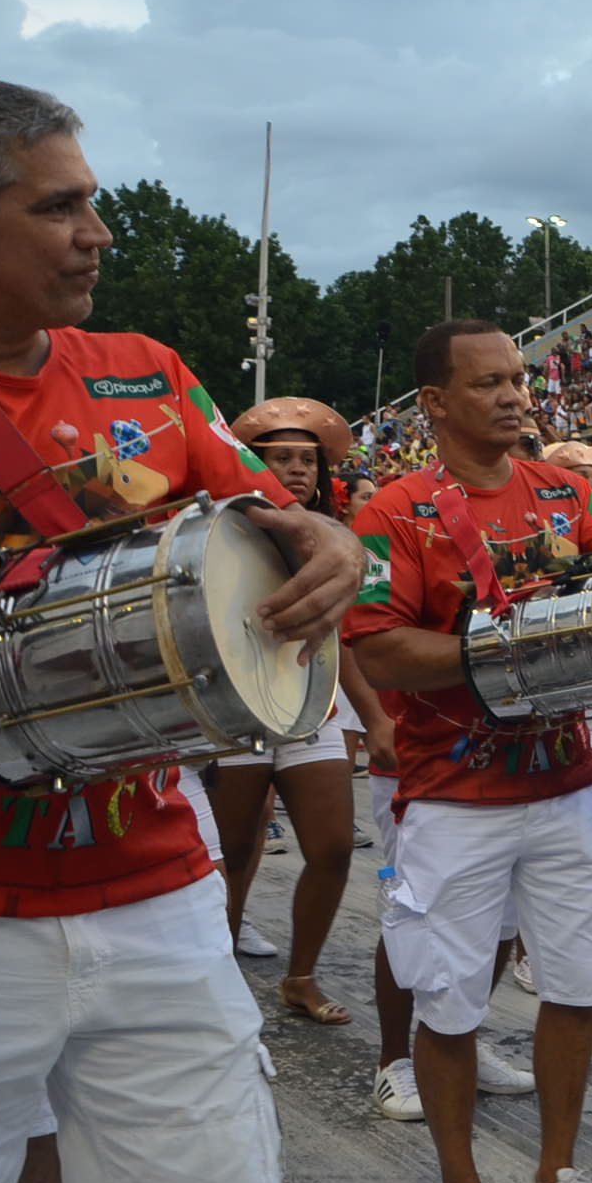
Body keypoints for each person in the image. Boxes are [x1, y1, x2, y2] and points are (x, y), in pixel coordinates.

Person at [0, 75, 365, 1183]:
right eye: (56, 207)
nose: (96, 231)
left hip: (158, 897)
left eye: (93, 199)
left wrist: (331, 544)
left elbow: (279, 526)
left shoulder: (151, 378)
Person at [347, 322, 592, 1183]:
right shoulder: (398, 513)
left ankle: (555, 1175)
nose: (513, 395)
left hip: (567, 783)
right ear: (435, 403)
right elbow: (377, 649)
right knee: (448, 1002)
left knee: (578, 983)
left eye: (519, 378)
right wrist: (509, 652)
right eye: (488, 382)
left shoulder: (565, 495)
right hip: (452, 793)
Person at [212, 396, 387, 1024]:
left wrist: (373, 718)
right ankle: (219, 969)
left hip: (314, 706)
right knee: (232, 854)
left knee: (335, 847)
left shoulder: (342, 545)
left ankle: (300, 977)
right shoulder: (224, 530)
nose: (297, 471)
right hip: (240, 712)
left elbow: (354, 640)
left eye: (307, 461)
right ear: (252, 464)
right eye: (280, 458)